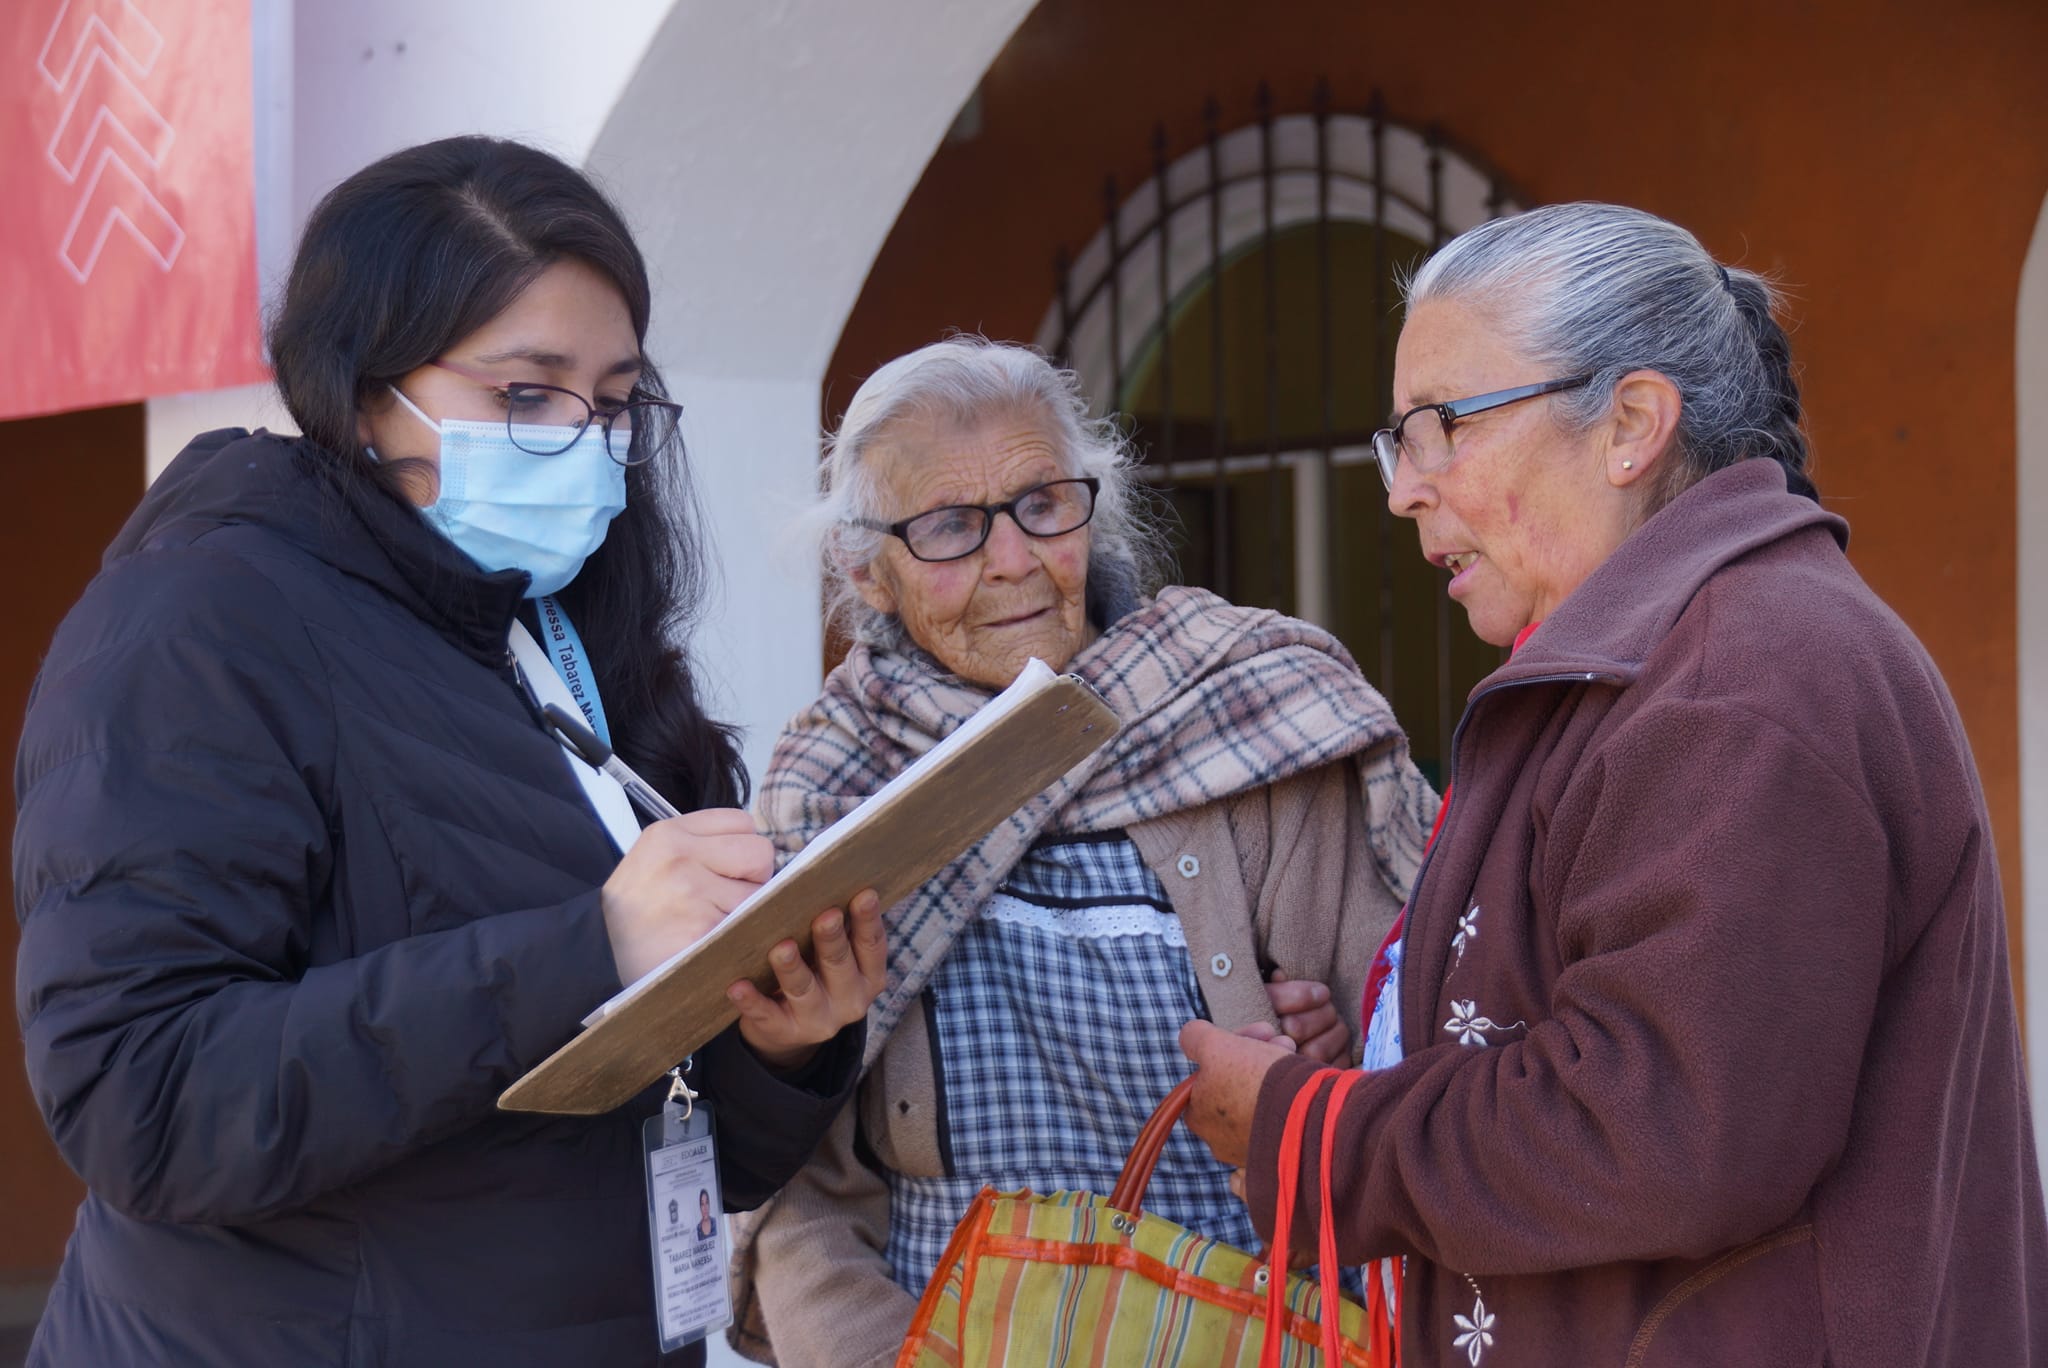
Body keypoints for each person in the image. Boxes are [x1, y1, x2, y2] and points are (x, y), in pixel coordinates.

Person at [12, 136, 886, 1367]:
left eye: (615, 400)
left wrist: (780, 1038)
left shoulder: (560, 630)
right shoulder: (200, 623)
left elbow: (671, 1144)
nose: (584, 442)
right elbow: (140, 1100)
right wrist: (591, 946)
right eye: (525, 397)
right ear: (364, 392)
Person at [1179, 202, 2048, 1366]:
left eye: (1442, 426)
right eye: (1401, 440)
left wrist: (1311, 1134)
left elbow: (1662, 1126)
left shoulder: (1737, 681)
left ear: (1630, 423)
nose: (1403, 489)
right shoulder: (1658, 660)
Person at [728, 337, 1439, 1367]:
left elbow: (1417, 1067)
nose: (1011, 559)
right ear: (866, 572)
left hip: (1248, 1334)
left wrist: (1326, 1079)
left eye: (1040, 505)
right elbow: (801, 1192)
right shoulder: (834, 786)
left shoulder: (1250, 710)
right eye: (947, 529)